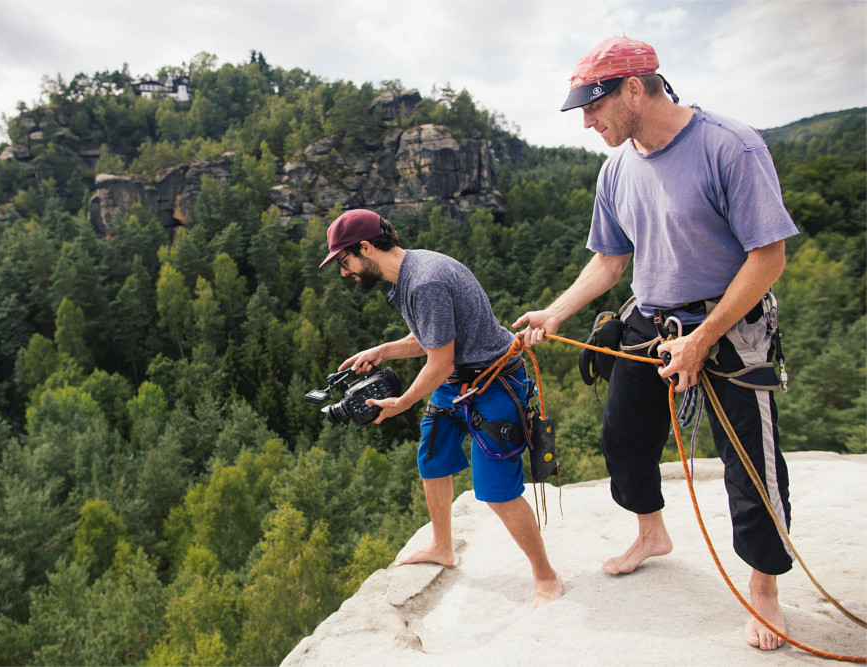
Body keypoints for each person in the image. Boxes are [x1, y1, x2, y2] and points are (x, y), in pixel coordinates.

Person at [513, 36, 799, 650]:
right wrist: (557, 312)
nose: (586, 121)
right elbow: (610, 260)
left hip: (729, 326)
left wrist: (703, 338)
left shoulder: (731, 147)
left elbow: (768, 257)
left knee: (751, 464)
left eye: (594, 106)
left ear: (636, 89)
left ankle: (765, 590)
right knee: (624, 437)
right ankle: (651, 532)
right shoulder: (616, 168)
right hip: (650, 321)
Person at [319, 208, 563, 609]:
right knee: (433, 458)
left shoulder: (424, 283)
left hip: (493, 383)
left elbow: (440, 361)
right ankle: (442, 546)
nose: (345, 272)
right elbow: (430, 341)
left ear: (365, 247)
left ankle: (546, 577)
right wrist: (383, 351)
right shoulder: (410, 273)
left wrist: (402, 403)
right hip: (460, 381)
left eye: (345, 262)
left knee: (496, 492)